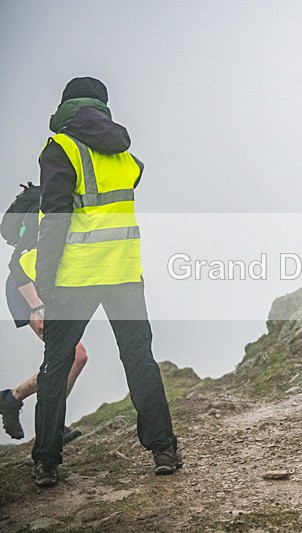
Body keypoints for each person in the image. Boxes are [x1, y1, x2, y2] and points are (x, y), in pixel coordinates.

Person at [31, 77, 180, 487]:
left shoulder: (59, 149)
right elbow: (135, 175)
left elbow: (55, 218)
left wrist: (44, 279)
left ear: (67, 108)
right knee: (139, 359)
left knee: (55, 367)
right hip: (123, 273)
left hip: (74, 277)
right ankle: (163, 448)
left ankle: (46, 461)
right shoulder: (123, 153)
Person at [0, 217, 86, 443]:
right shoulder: (49, 206)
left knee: (76, 357)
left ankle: (14, 399)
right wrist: (37, 307)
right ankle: (51, 424)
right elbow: (17, 264)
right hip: (26, 289)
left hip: (47, 288)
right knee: (75, 355)